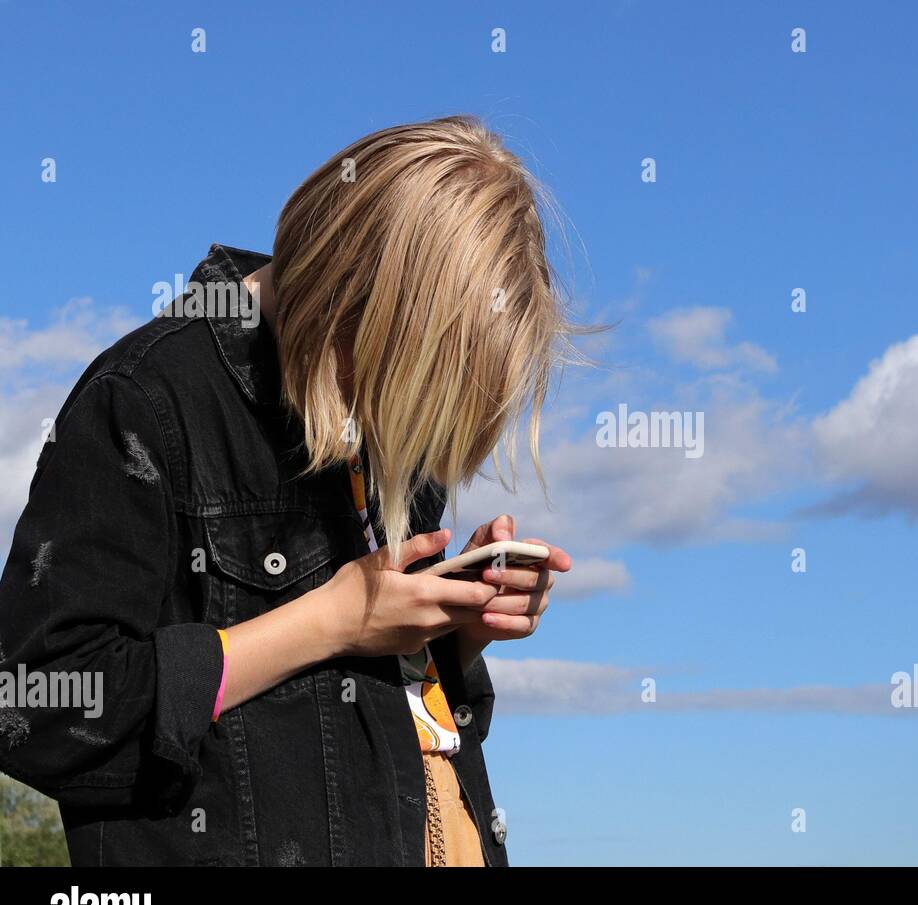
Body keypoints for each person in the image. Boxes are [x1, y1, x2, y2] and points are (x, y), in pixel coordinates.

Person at [0, 117, 573, 866]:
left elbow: (357, 731)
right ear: (354, 298)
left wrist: (452, 625)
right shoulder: (145, 401)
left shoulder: (372, 411)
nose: (406, 419)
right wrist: (330, 622)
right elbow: (33, 706)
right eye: (413, 369)